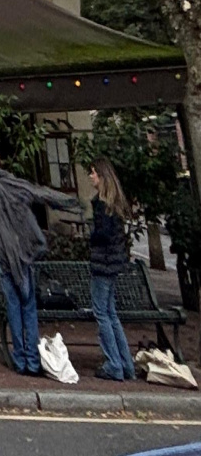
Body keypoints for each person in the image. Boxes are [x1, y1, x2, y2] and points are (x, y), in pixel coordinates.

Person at [0, 140, 76, 376]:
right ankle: (32, 359)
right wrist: (71, 204)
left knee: (14, 307)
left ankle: (20, 359)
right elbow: (40, 194)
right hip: (23, 254)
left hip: (5, 254)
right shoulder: (13, 184)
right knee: (28, 307)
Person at [89, 158, 137, 382]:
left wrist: (92, 237)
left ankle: (114, 364)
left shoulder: (102, 204)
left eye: (93, 173)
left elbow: (103, 234)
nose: (91, 177)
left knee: (101, 313)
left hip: (103, 262)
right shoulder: (115, 203)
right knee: (111, 313)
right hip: (113, 262)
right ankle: (126, 363)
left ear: (101, 176)